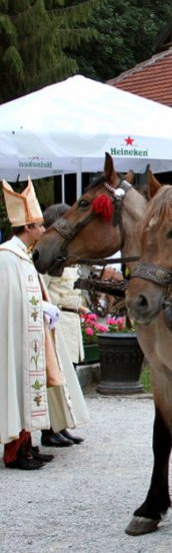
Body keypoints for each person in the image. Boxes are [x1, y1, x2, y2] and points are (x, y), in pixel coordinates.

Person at [0, 178, 59, 469]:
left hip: (30, 335)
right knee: (19, 390)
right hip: (16, 337)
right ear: (27, 228)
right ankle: (14, 453)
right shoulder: (7, 257)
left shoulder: (23, 256)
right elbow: (8, 301)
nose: (43, 230)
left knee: (30, 392)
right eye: (39, 224)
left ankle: (28, 444)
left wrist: (43, 307)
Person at [40, 203, 90, 447]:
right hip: (58, 322)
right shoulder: (49, 259)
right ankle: (50, 429)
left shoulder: (64, 256)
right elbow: (44, 292)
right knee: (56, 377)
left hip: (70, 320)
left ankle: (61, 425)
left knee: (67, 378)